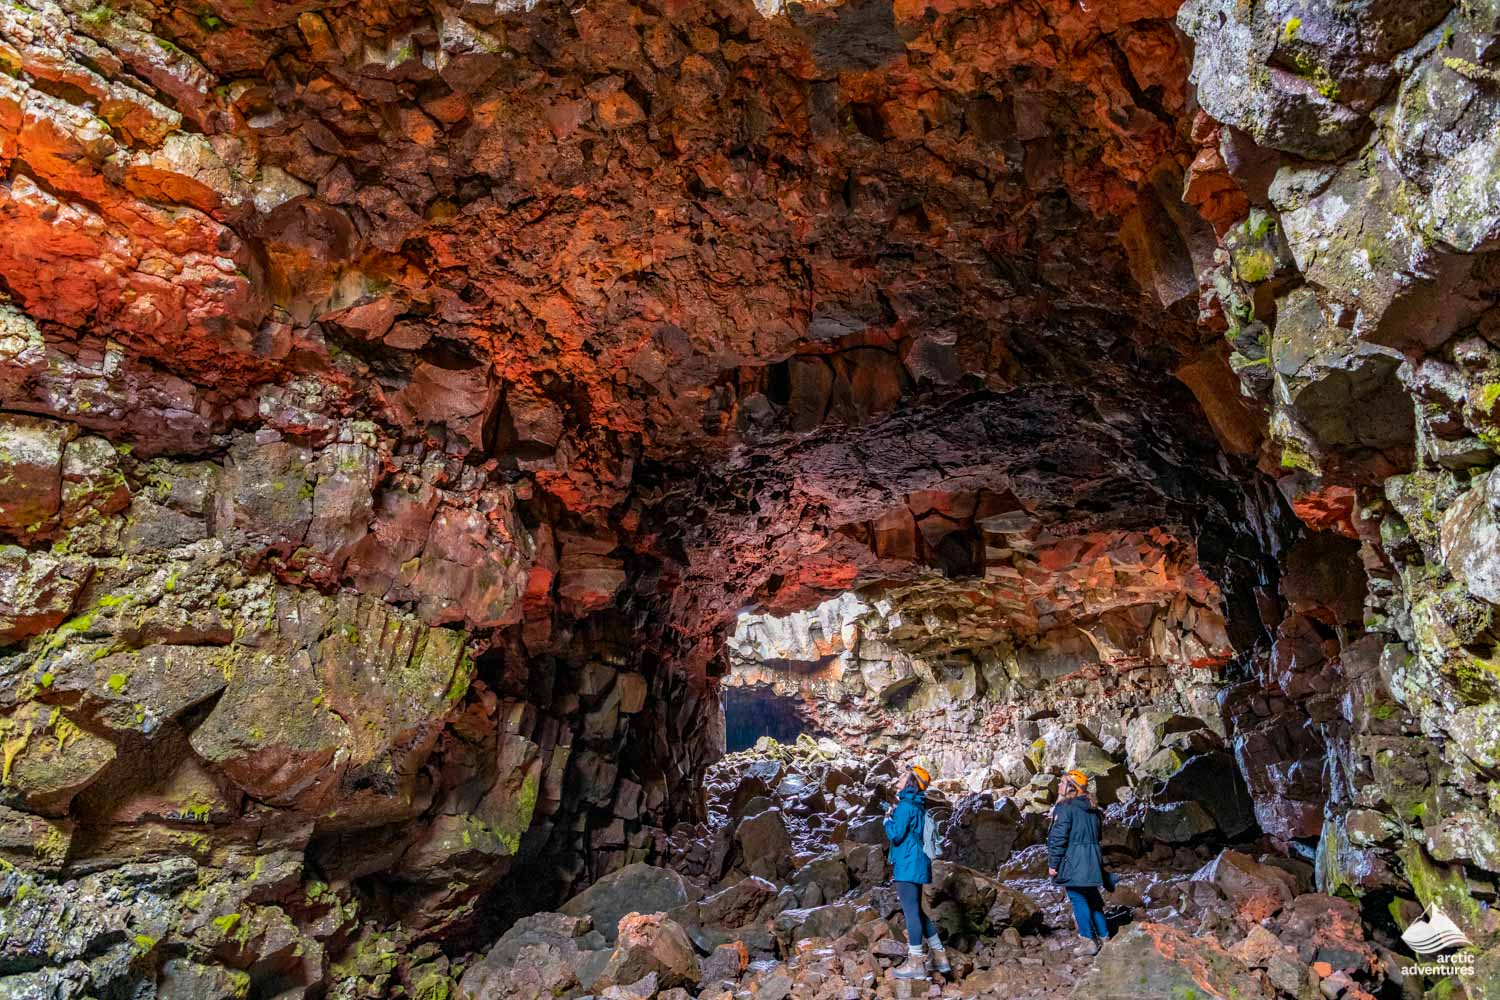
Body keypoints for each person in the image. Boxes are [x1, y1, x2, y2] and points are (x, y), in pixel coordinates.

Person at [884, 764, 950, 979]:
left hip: (907, 864)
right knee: (918, 912)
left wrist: (886, 820)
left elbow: (896, 835)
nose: (900, 778)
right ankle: (940, 956)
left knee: (911, 913)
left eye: (904, 775)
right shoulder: (919, 806)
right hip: (919, 863)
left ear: (911, 781)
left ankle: (915, 963)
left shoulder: (905, 806)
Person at [1047, 768, 1112, 957]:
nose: (1058, 784)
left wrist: (1054, 864)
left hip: (1073, 860)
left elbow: (1058, 838)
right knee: (1093, 899)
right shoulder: (1093, 809)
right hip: (1092, 860)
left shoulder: (1065, 807)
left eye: (1062, 782)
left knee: (1078, 899)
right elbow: (1096, 836)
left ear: (1071, 788)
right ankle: (1105, 938)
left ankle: (1087, 941)